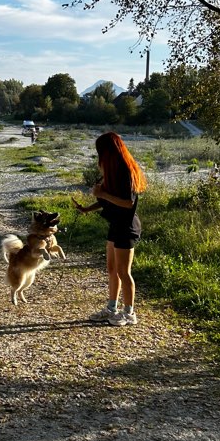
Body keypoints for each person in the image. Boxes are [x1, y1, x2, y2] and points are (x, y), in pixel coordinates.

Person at [71, 131, 147, 326]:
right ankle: (111, 308)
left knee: (124, 271)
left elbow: (128, 203)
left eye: (100, 152)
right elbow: (108, 200)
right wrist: (87, 208)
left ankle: (129, 313)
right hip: (116, 224)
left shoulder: (125, 170)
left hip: (127, 226)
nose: (99, 156)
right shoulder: (112, 170)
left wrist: (102, 194)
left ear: (108, 151)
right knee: (112, 269)